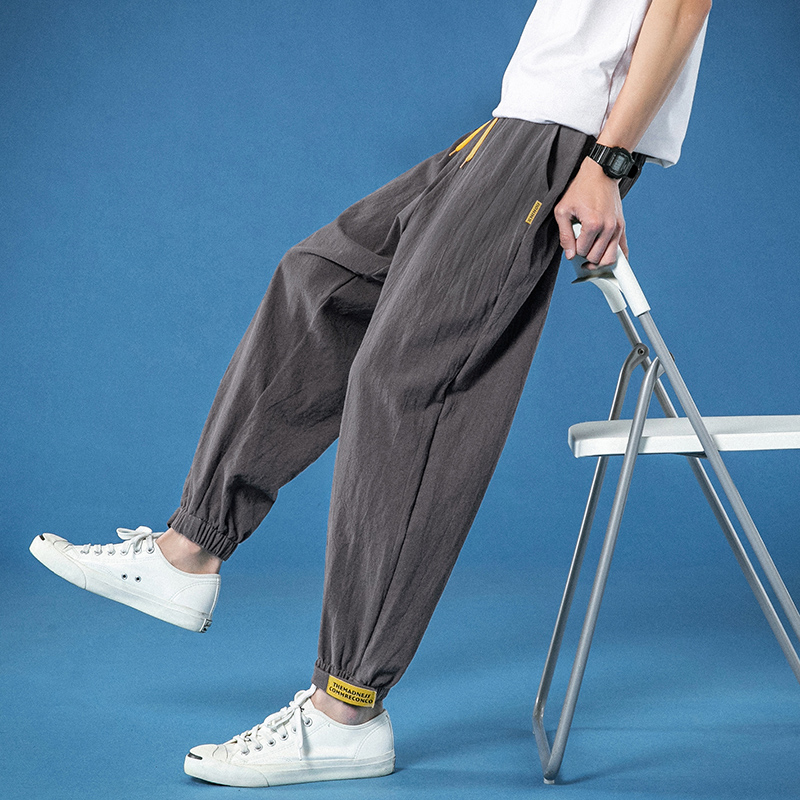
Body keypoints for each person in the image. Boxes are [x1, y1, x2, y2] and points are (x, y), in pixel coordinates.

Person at [29, 0, 711, 788]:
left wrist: (608, 161)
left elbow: (683, 7)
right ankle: (190, 550)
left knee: (406, 386)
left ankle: (346, 710)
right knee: (318, 283)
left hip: (565, 137)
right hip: (518, 120)